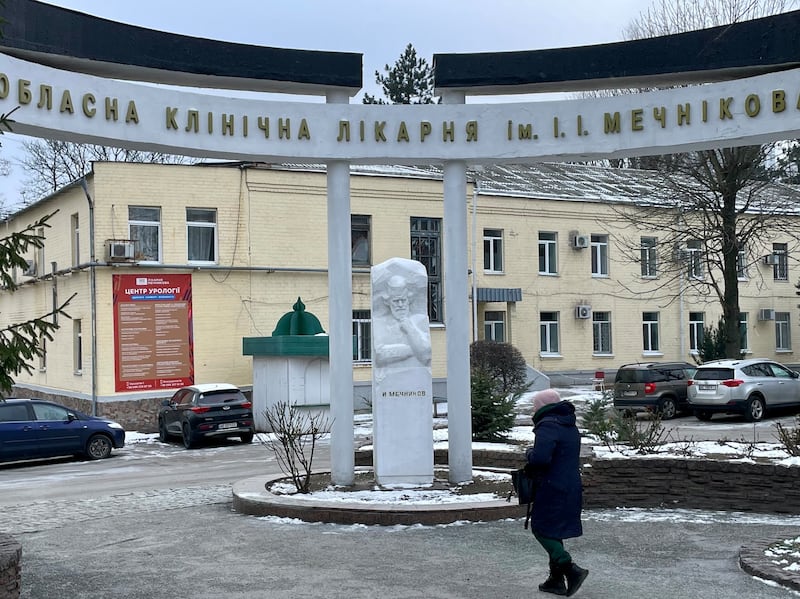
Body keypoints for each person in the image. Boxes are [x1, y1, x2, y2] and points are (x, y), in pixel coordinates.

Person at [525, 389, 588, 597]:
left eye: (535, 405)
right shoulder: (568, 423)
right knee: (553, 530)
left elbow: (541, 459)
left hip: (552, 486)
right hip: (570, 484)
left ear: (544, 405)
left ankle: (570, 568)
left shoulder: (548, 425)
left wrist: (529, 454)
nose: (533, 409)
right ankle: (556, 581)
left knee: (541, 528)